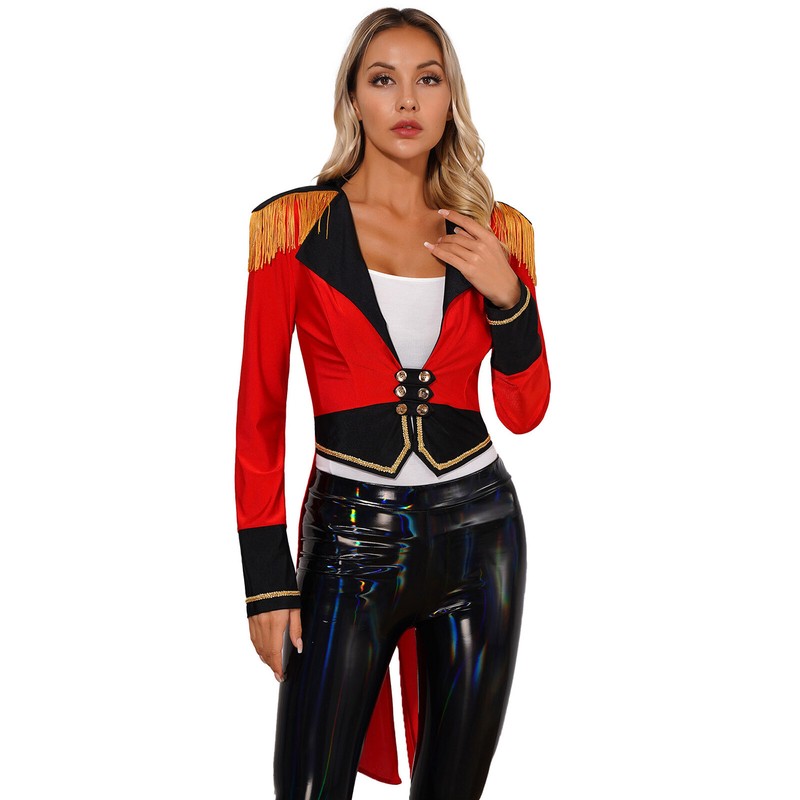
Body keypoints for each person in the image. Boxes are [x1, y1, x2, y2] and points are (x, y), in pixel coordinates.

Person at [234, 7, 551, 799]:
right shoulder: (292, 230)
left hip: (483, 537)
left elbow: (525, 410)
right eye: (384, 79)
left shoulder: (497, 235)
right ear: (354, 98)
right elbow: (259, 416)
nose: (407, 100)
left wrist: (509, 298)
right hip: (349, 543)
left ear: (450, 99)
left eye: (427, 79)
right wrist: (267, 581)